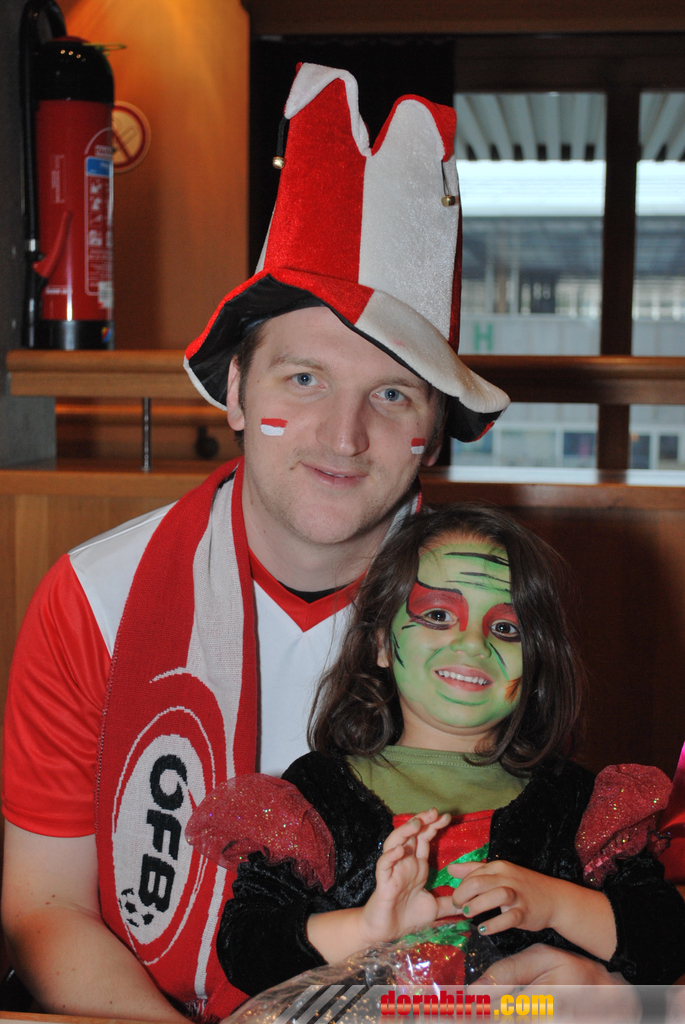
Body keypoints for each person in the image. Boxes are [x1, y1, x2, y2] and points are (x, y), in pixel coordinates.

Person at [0, 64, 620, 1022]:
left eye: (391, 394)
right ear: (235, 391)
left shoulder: (494, 620)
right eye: (303, 379)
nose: (343, 436)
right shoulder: (92, 599)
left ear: (434, 432)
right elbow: (46, 906)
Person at [216, 504, 685, 996]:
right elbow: (246, 949)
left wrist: (557, 905)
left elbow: (667, 941)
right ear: (380, 643)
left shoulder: (578, 804)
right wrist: (368, 928)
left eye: (506, 628)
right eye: (439, 616)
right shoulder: (317, 793)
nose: (472, 643)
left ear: (538, 664)